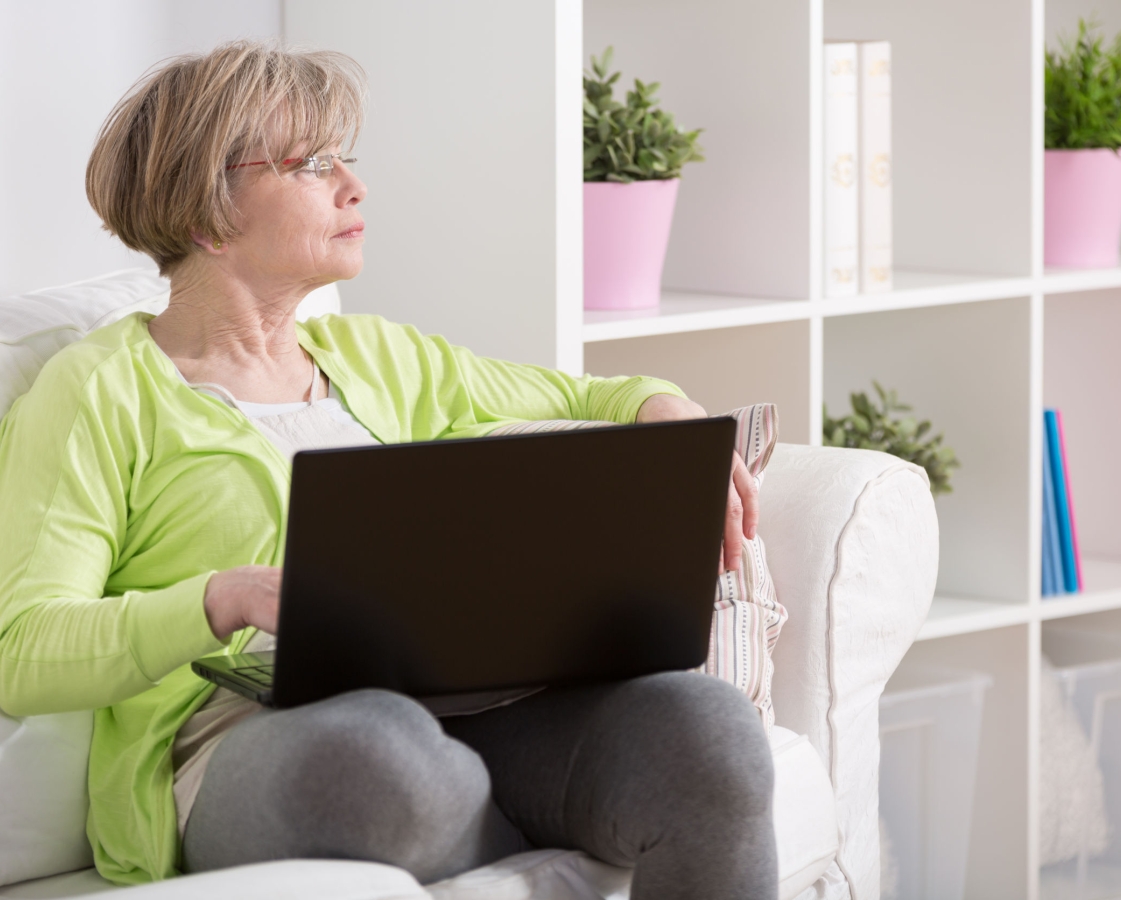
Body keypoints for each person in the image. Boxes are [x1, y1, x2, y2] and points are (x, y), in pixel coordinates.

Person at [0, 42, 775, 897]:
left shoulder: (380, 356)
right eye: (311, 165)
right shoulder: (97, 391)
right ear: (203, 212)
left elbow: (604, 392)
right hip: (242, 742)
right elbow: (24, 650)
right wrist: (218, 600)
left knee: (704, 728)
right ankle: (522, 826)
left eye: (347, 160)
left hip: (468, 712)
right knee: (385, 753)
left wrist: (664, 409)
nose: (353, 187)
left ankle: (495, 821)